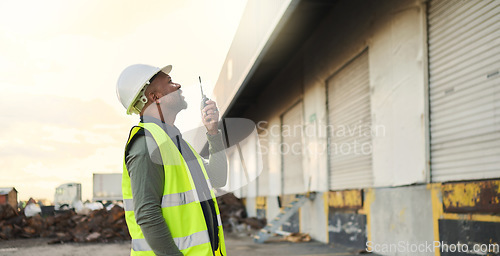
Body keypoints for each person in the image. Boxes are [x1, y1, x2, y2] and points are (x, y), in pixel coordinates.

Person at [116, 64, 228, 256]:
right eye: (169, 83)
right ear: (155, 97)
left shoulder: (176, 143)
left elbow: (218, 178)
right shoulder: (146, 144)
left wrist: (213, 132)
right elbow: (147, 215)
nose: (177, 85)